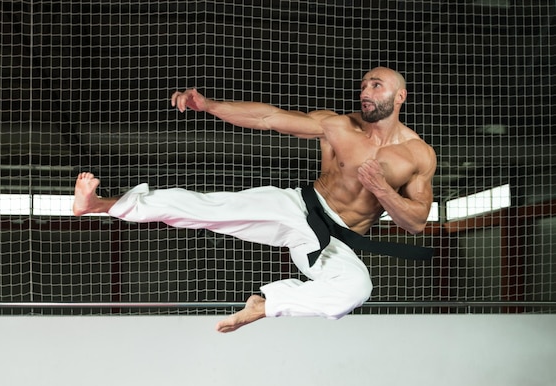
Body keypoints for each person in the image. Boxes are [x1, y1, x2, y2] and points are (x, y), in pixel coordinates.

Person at [72, 67, 437, 333]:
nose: (366, 91)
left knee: (356, 289)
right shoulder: (338, 127)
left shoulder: (418, 155)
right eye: (363, 86)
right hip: (299, 208)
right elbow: (268, 118)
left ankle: (265, 305)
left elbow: (416, 222)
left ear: (400, 96)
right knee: (209, 208)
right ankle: (101, 205)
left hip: (333, 242)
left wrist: (383, 191)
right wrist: (210, 106)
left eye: (376, 84)